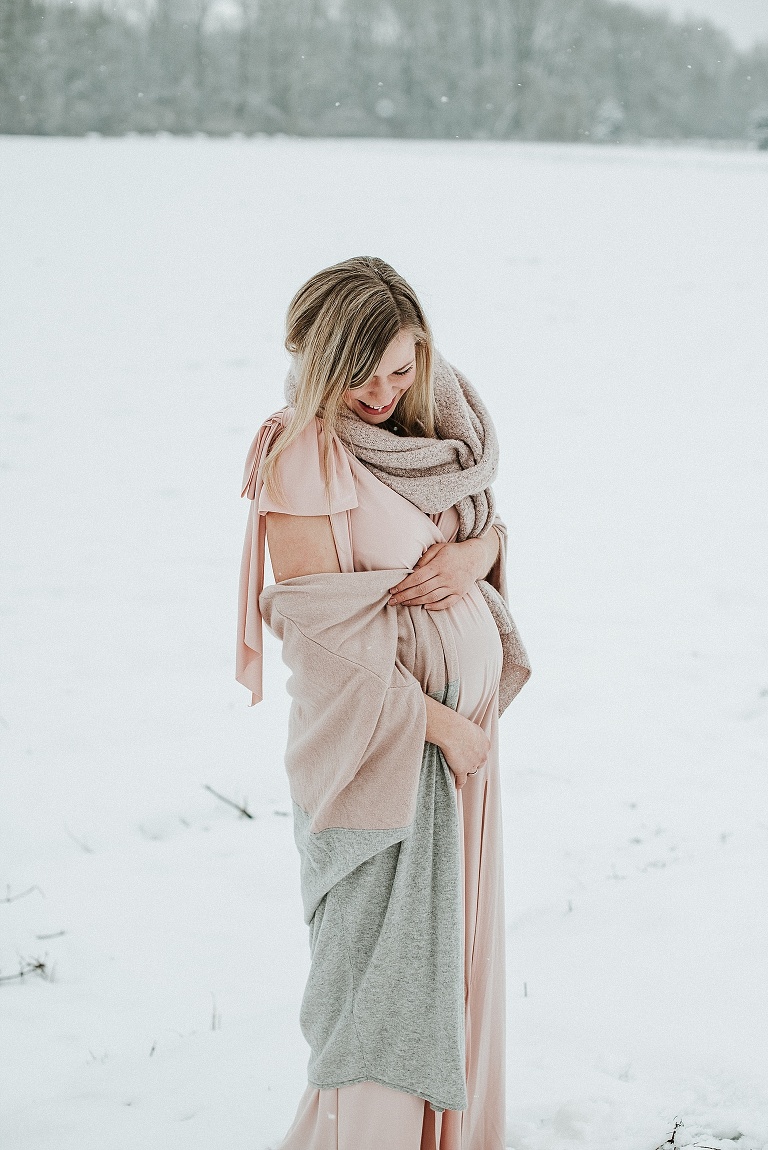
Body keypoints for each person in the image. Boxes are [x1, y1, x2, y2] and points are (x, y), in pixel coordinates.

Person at [236, 256, 530, 1150]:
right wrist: (441, 728)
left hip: (455, 754)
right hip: (382, 763)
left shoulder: (434, 431)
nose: (381, 391)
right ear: (322, 361)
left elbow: (470, 533)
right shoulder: (300, 454)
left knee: (451, 970)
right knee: (382, 990)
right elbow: (319, 639)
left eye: (401, 368)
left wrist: (482, 558)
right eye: (360, 373)